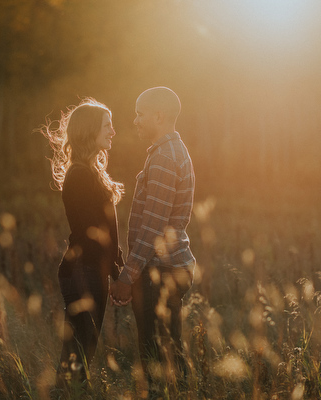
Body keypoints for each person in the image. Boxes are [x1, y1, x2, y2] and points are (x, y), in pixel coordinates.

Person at [109, 87, 195, 396]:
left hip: (160, 271)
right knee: (168, 347)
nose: (134, 120)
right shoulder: (174, 151)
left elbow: (152, 229)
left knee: (154, 353)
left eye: (140, 114)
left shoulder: (163, 158)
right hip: (172, 266)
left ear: (158, 116)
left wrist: (126, 276)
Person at [42, 98, 124, 387]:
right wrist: (115, 273)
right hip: (83, 272)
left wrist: (118, 271)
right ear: (90, 130)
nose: (113, 131)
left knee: (81, 353)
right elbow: (91, 236)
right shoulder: (80, 175)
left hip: (92, 271)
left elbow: (108, 232)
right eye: (107, 125)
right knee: (77, 355)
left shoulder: (91, 172)